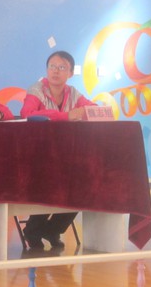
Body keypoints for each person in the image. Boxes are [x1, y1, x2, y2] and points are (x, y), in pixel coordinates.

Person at [20, 50, 97, 249]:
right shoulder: (36, 90)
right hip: (38, 156)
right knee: (52, 181)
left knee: (85, 183)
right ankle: (33, 229)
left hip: (67, 156)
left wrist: (88, 112)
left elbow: (94, 109)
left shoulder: (73, 93)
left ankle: (53, 229)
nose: (55, 71)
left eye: (61, 67)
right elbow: (27, 113)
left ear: (70, 73)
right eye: (52, 67)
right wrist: (66, 116)